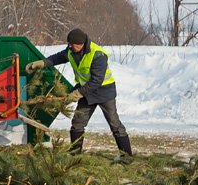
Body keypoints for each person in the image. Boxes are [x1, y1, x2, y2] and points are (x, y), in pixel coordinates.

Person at [27, 28, 132, 159]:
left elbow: (96, 81)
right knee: (78, 123)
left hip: (105, 92)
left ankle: (126, 156)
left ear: (81, 44)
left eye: (72, 44)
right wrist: (42, 63)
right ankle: (74, 155)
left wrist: (77, 94)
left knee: (114, 124)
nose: (69, 47)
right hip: (86, 92)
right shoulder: (71, 50)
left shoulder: (98, 55)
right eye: (69, 44)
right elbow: (58, 57)